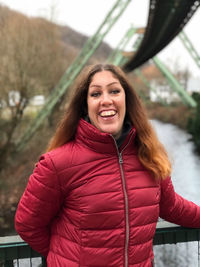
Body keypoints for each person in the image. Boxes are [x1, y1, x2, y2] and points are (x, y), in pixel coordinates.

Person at [15, 63, 200, 267]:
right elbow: (27, 224)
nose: (106, 100)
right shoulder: (57, 164)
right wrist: (64, 257)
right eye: (95, 94)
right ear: (85, 105)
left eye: (114, 91)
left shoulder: (149, 154)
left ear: (126, 100)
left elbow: (172, 206)